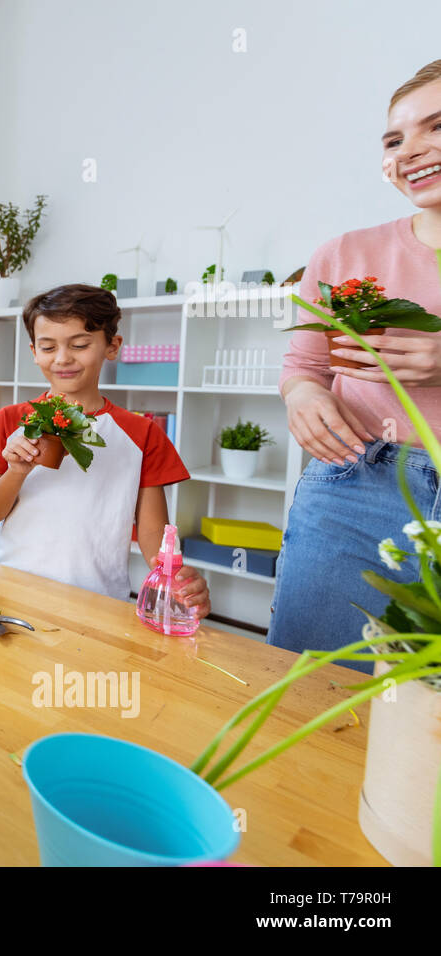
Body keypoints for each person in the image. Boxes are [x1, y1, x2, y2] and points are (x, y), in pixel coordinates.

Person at [270, 59, 441, 672]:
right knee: (315, 688)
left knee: (426, 720)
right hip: (357, 481)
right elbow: (303, 363)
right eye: (395, 139)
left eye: (436, 127)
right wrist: (303, 397)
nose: (410, 151)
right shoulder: (345, 252)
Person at [0, 284, 210, 613]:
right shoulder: (9, 421)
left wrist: (175, 581)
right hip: (12, 594)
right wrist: (17, 471)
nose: (63, 358)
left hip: (98, 605)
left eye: (80, 345)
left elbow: (153, 532)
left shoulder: (143, 434)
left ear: (112, 346)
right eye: (48, 347)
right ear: (34, 351)